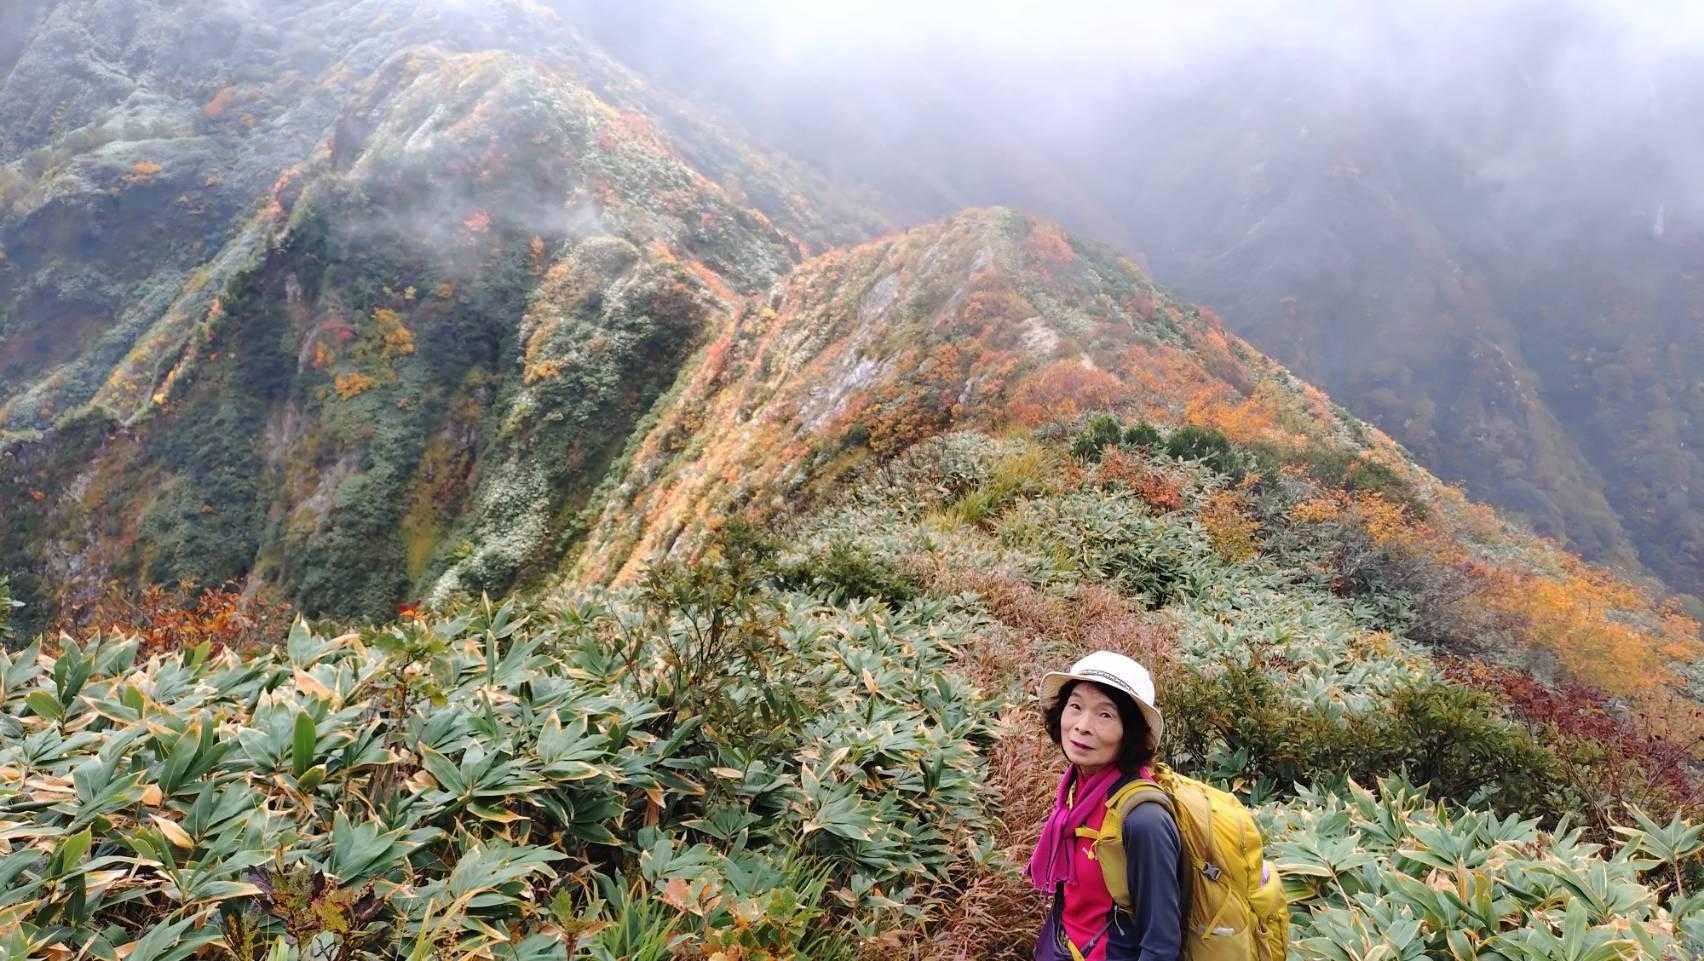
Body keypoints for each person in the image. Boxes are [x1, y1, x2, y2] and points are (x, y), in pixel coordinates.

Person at [1028, 651, 1185, 961]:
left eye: (1105, 715)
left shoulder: (1144, 820)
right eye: (1075, 706)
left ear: (1130, 732)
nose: (1082, 726)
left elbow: (1161, 944)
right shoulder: (1077, 789)